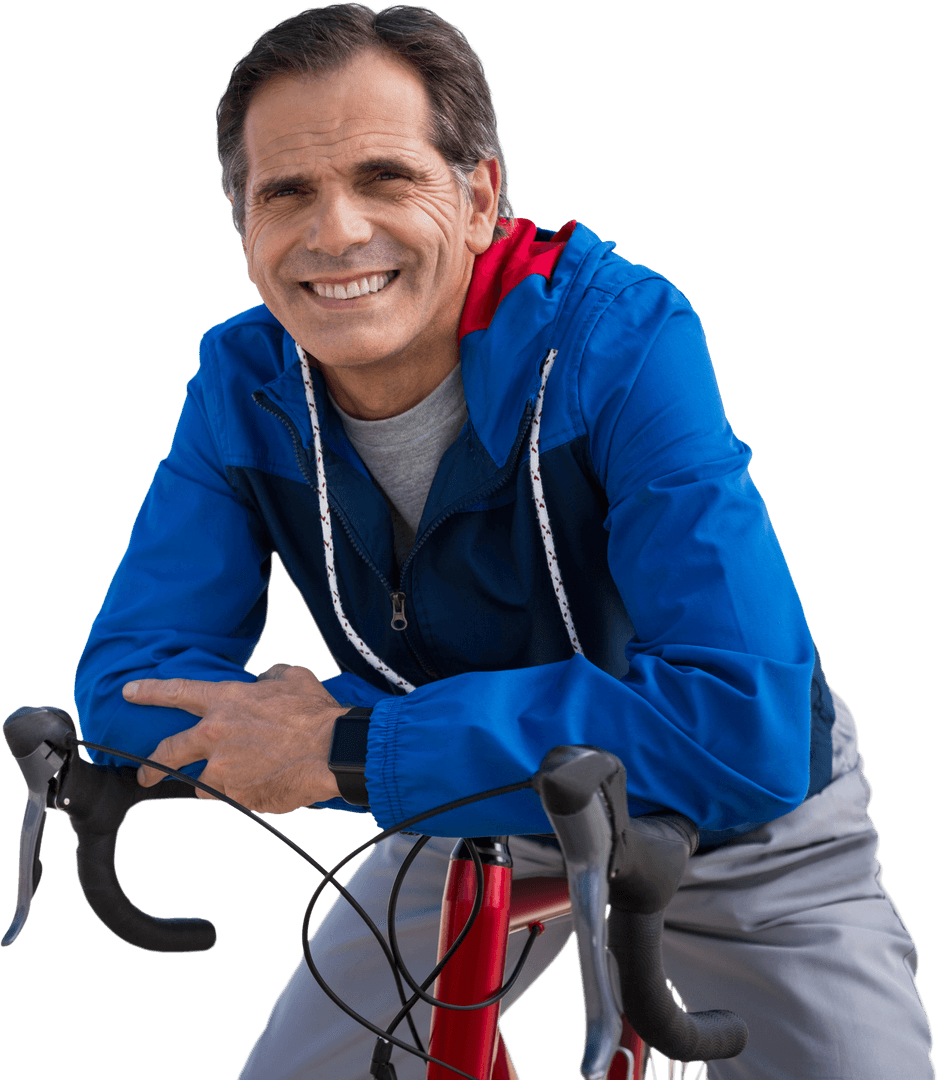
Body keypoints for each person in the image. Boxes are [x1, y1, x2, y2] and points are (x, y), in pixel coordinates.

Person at [74, 4, 932, 1077]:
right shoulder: (242, 382)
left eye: (385, 177)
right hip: (470, 808)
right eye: (286, 192)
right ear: (243, 225)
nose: (335, 232)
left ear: (478, 197)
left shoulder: (620, 340)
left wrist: (347, 744)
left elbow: (740, 724)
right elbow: (129, 685)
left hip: (726, 817)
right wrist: (368, 751)